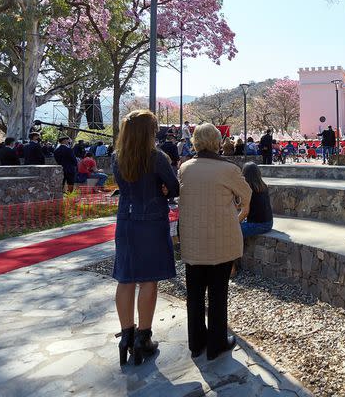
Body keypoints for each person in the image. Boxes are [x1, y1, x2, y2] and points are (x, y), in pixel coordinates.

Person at [178, 123, 253, 361]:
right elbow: (247, 194)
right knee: (218, 293)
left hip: (192, 239)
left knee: (195, 294)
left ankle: (196, 342)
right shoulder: (228, 169)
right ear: (217, 141)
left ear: (195, 142)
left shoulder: (185, 167)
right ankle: (216, 343)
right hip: (221, 239)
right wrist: (237, 212)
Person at [112, 109, 180, 366]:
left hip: (126, 221)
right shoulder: (157, 158)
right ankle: (143, 337)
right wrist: (163, 190)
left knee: (125, 278)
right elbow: (173, 187)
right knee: (148, 280)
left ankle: (125, 336)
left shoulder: (117, 157)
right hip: (151, 220)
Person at [239, 162, 273, 237]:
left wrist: (234, 223)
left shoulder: (248, 189)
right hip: (269, 222)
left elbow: (245, 212)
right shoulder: (263, 186)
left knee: (230, 229)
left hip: (258, 225)